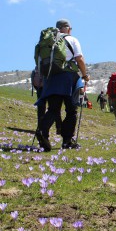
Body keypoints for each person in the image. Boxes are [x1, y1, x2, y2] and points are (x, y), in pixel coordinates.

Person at [35, 19, 90, 151]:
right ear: (67, 28)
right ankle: (67, 141)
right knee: (71, 110)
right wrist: (84, 74)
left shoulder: (49, 41)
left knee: (53, 109)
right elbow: (79, 59)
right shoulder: (72, 39)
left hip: (51, 77)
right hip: (69, 77)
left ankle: (42, 130)